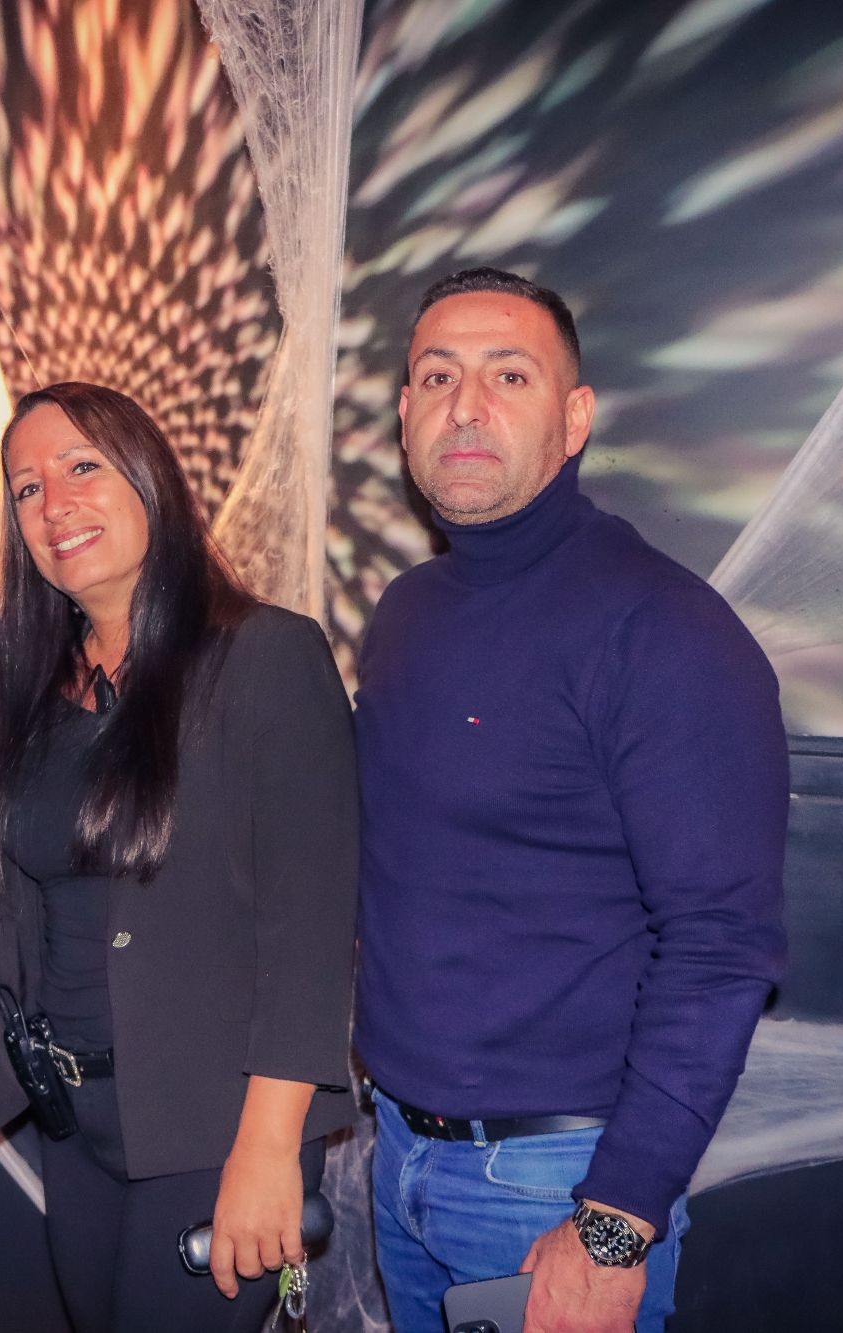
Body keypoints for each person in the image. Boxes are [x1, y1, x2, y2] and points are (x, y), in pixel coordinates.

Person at [352, 266, 789, 1333]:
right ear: (404, 414)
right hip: (395, 1154)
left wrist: (614, 1224)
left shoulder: (661, 628)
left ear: (575, 417)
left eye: (509, 375)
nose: (465, 405)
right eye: (437, 376)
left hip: (554, 1189)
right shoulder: (403, 612)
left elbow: (722, 945)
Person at [0, 382, 359, 1333]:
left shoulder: (267, 656)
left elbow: (311, 931)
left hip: (215, 1128)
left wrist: (267, 1148)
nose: (55, 503)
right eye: (27, 488)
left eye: (82, 467)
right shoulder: (30, 695)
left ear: (150, 478)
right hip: (77, 1128)